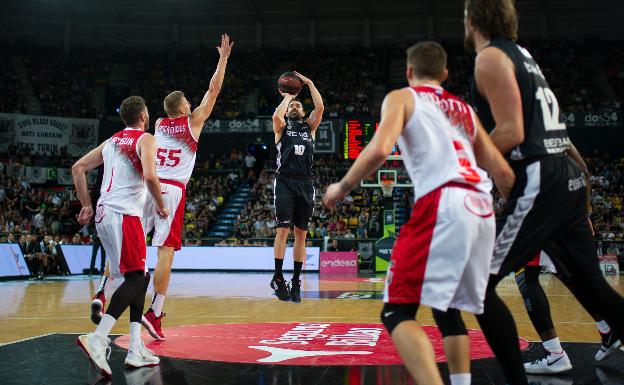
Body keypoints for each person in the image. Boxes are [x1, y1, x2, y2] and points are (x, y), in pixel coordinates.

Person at [324, 41, 515, 385]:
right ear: (444, 74)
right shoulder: (465, 109)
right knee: (449, 308)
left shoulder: (402, 97)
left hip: (443, 202)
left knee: (397, 310)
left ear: (409, 72)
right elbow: (504, 174)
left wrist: (343, 186)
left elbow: (381, 148)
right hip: (482, 207)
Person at [464, 1, 624, 384]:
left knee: (475, 283)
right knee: (589, 281)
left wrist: (461, 159)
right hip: (565, 177)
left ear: (473, 19)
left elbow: (512, 132)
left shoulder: (489, 58)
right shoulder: (523, 55)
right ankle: (556, 353)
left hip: (539, 178)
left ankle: (526, 373)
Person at [91, 34, 234, 341]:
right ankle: (155, 312)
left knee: (129, 246)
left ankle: (102, 291)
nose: (192, 104)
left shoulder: (157, 123)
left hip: (143, 189)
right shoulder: (193, 123)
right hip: (170, 190)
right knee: (165, 251)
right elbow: (213, 90)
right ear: (183, 108)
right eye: (188, 103)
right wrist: (222, 59)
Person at [73, 96, 168, 376]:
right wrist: (161, 206)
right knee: (138, 278)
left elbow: (77, 168)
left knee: (139, 277)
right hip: (125, 214)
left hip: (103, 214)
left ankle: (136, 348)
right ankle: (99, 338)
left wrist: (86, 205)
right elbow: (150, 177)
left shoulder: (112, 141)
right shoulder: (146, 139)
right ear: (143, 116)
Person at [271, 71, 324, 303]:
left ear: (303, 112)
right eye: (292, 105)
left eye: (298, 105)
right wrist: (288, 96)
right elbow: (276, 116)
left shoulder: (309, 128)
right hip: (284, 181)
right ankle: (278, 277)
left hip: (305, 183)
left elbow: (320, 108)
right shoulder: (281, 127)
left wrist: (310, 82)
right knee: (283, 230)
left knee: (301, 233)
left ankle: (295, 279)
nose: (294, 107)